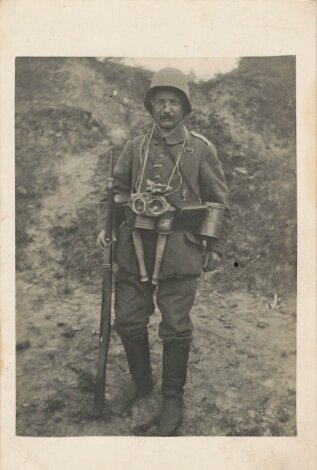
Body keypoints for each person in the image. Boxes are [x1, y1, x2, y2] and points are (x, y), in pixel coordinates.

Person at [96, 67, 230, 436]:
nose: (166, 109)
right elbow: (114, 193)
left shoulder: (201, 149)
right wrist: (105, 229)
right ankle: (141, 385)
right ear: (150, 106)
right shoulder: (134, 147)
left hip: (179, 253)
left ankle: (172, 399)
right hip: (133, 248)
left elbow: (218, 201)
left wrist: (214, 246)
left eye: (174, 102)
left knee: (174, 329)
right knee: (128, 321)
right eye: (160, 102)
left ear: (185, 108)